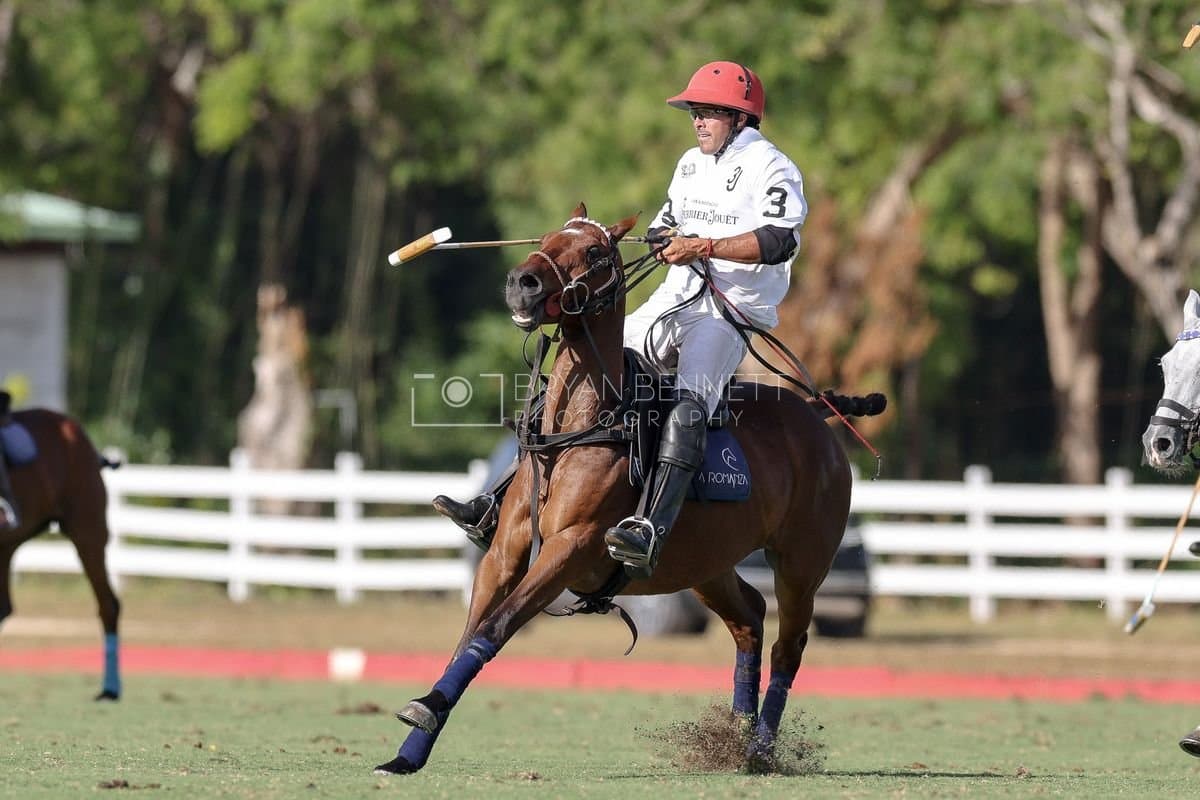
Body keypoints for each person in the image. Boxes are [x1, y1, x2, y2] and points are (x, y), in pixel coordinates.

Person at [435, 60, 808, 579]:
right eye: (694, 112)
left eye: (708, 112)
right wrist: (659, 239)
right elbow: (664, 223)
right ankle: (497, 502)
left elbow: (779, 240)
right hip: (673, 300)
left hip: (727, 312)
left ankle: (650, 527)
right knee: (578, 368)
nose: (697, 122)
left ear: (740, 118)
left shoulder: (773, 167)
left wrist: (703, 246)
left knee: (688, 406)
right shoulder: (691, 164)